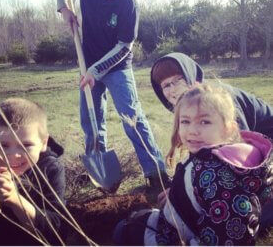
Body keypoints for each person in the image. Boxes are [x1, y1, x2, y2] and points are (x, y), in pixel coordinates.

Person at [54, 0, 168, 187]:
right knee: (91, 119)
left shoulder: (128, 3)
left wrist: (95, 72)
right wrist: (63, 6)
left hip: (117, 68)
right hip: (88, 63)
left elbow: (125, 47)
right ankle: (98, 170)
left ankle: (155, 172)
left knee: (132, 118)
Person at [113, 84, 273, 245]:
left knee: (123, 234)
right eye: (185, 121)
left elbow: (230, 237)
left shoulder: (220, 177)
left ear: (228, 130)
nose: (192, 130)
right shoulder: (206, 156)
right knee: (130, 224)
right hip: (181, 220)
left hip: (184, 236)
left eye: (204, 122)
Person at [151, 52, 273, 227]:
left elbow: (239, 156)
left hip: (264, 150)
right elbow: (203, 150)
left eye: (177, 80)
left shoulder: (216, 100)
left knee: (250, 213)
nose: (172, 90)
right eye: (165, 85)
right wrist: (180, 188)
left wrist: (185, 193)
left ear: (190, 75)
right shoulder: (192, 103)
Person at [0, 98, 66, 245]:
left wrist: (15, 200)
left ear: (43, 143)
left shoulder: (51, 169)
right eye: (3, 145)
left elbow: (56, 232)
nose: (13, 155)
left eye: (26, 145)